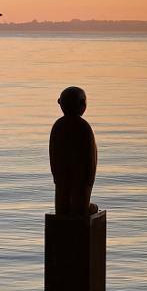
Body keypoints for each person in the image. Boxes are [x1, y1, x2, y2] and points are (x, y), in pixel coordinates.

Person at [49, 86, 98, 216]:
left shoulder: (58, 126)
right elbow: (89, 166)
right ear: (82, 104)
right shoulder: (83, 128)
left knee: (62, 202)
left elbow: (54, 161)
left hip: (61, 183)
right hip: (81, 186)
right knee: (87, 207)